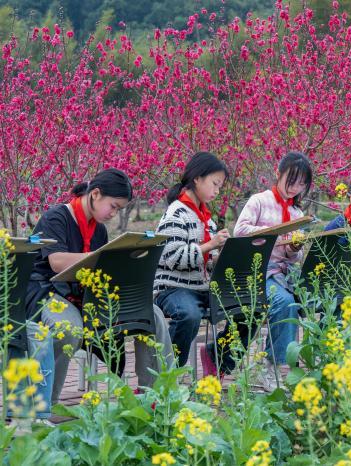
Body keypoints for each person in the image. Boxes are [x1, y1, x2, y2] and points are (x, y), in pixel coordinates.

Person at [26, 168, 173, 408]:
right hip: (48, 292)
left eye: (119, 209)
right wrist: (100, 256)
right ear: (95, 194)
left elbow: (100, 270)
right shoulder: (57, 217)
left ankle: (157, 397)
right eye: (113, 206)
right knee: (70, 328)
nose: (114, 214)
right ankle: (42, 405)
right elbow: (56, 261)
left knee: (152, 314)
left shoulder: (99, 230)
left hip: (86, 294)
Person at [203, 152, 312, 390]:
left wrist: (294, 247)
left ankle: (315, 363)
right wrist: (277, 232)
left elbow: (295, 258)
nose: (296, 187)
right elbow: (240, 232)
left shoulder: (298, 214)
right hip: (254, 272)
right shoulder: (259, 201)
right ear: (278, 174)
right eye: (291, 180)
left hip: (282, 274)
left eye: (302, 183)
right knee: (284, 303)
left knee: (311, 301)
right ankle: (270, 368)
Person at [153, 152, 230, 367]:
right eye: (214, 184)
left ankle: (219, 359)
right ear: (197, 178)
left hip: (200, 288)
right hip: (172, 288)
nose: (217, 191)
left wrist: (221, 255)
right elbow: (172, 257)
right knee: (188, 314)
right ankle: (166, 374)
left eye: (220, 187)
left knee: (247, 306)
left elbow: (207, 262)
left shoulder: (206, 219)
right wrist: (210, 245)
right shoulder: (176, 213)